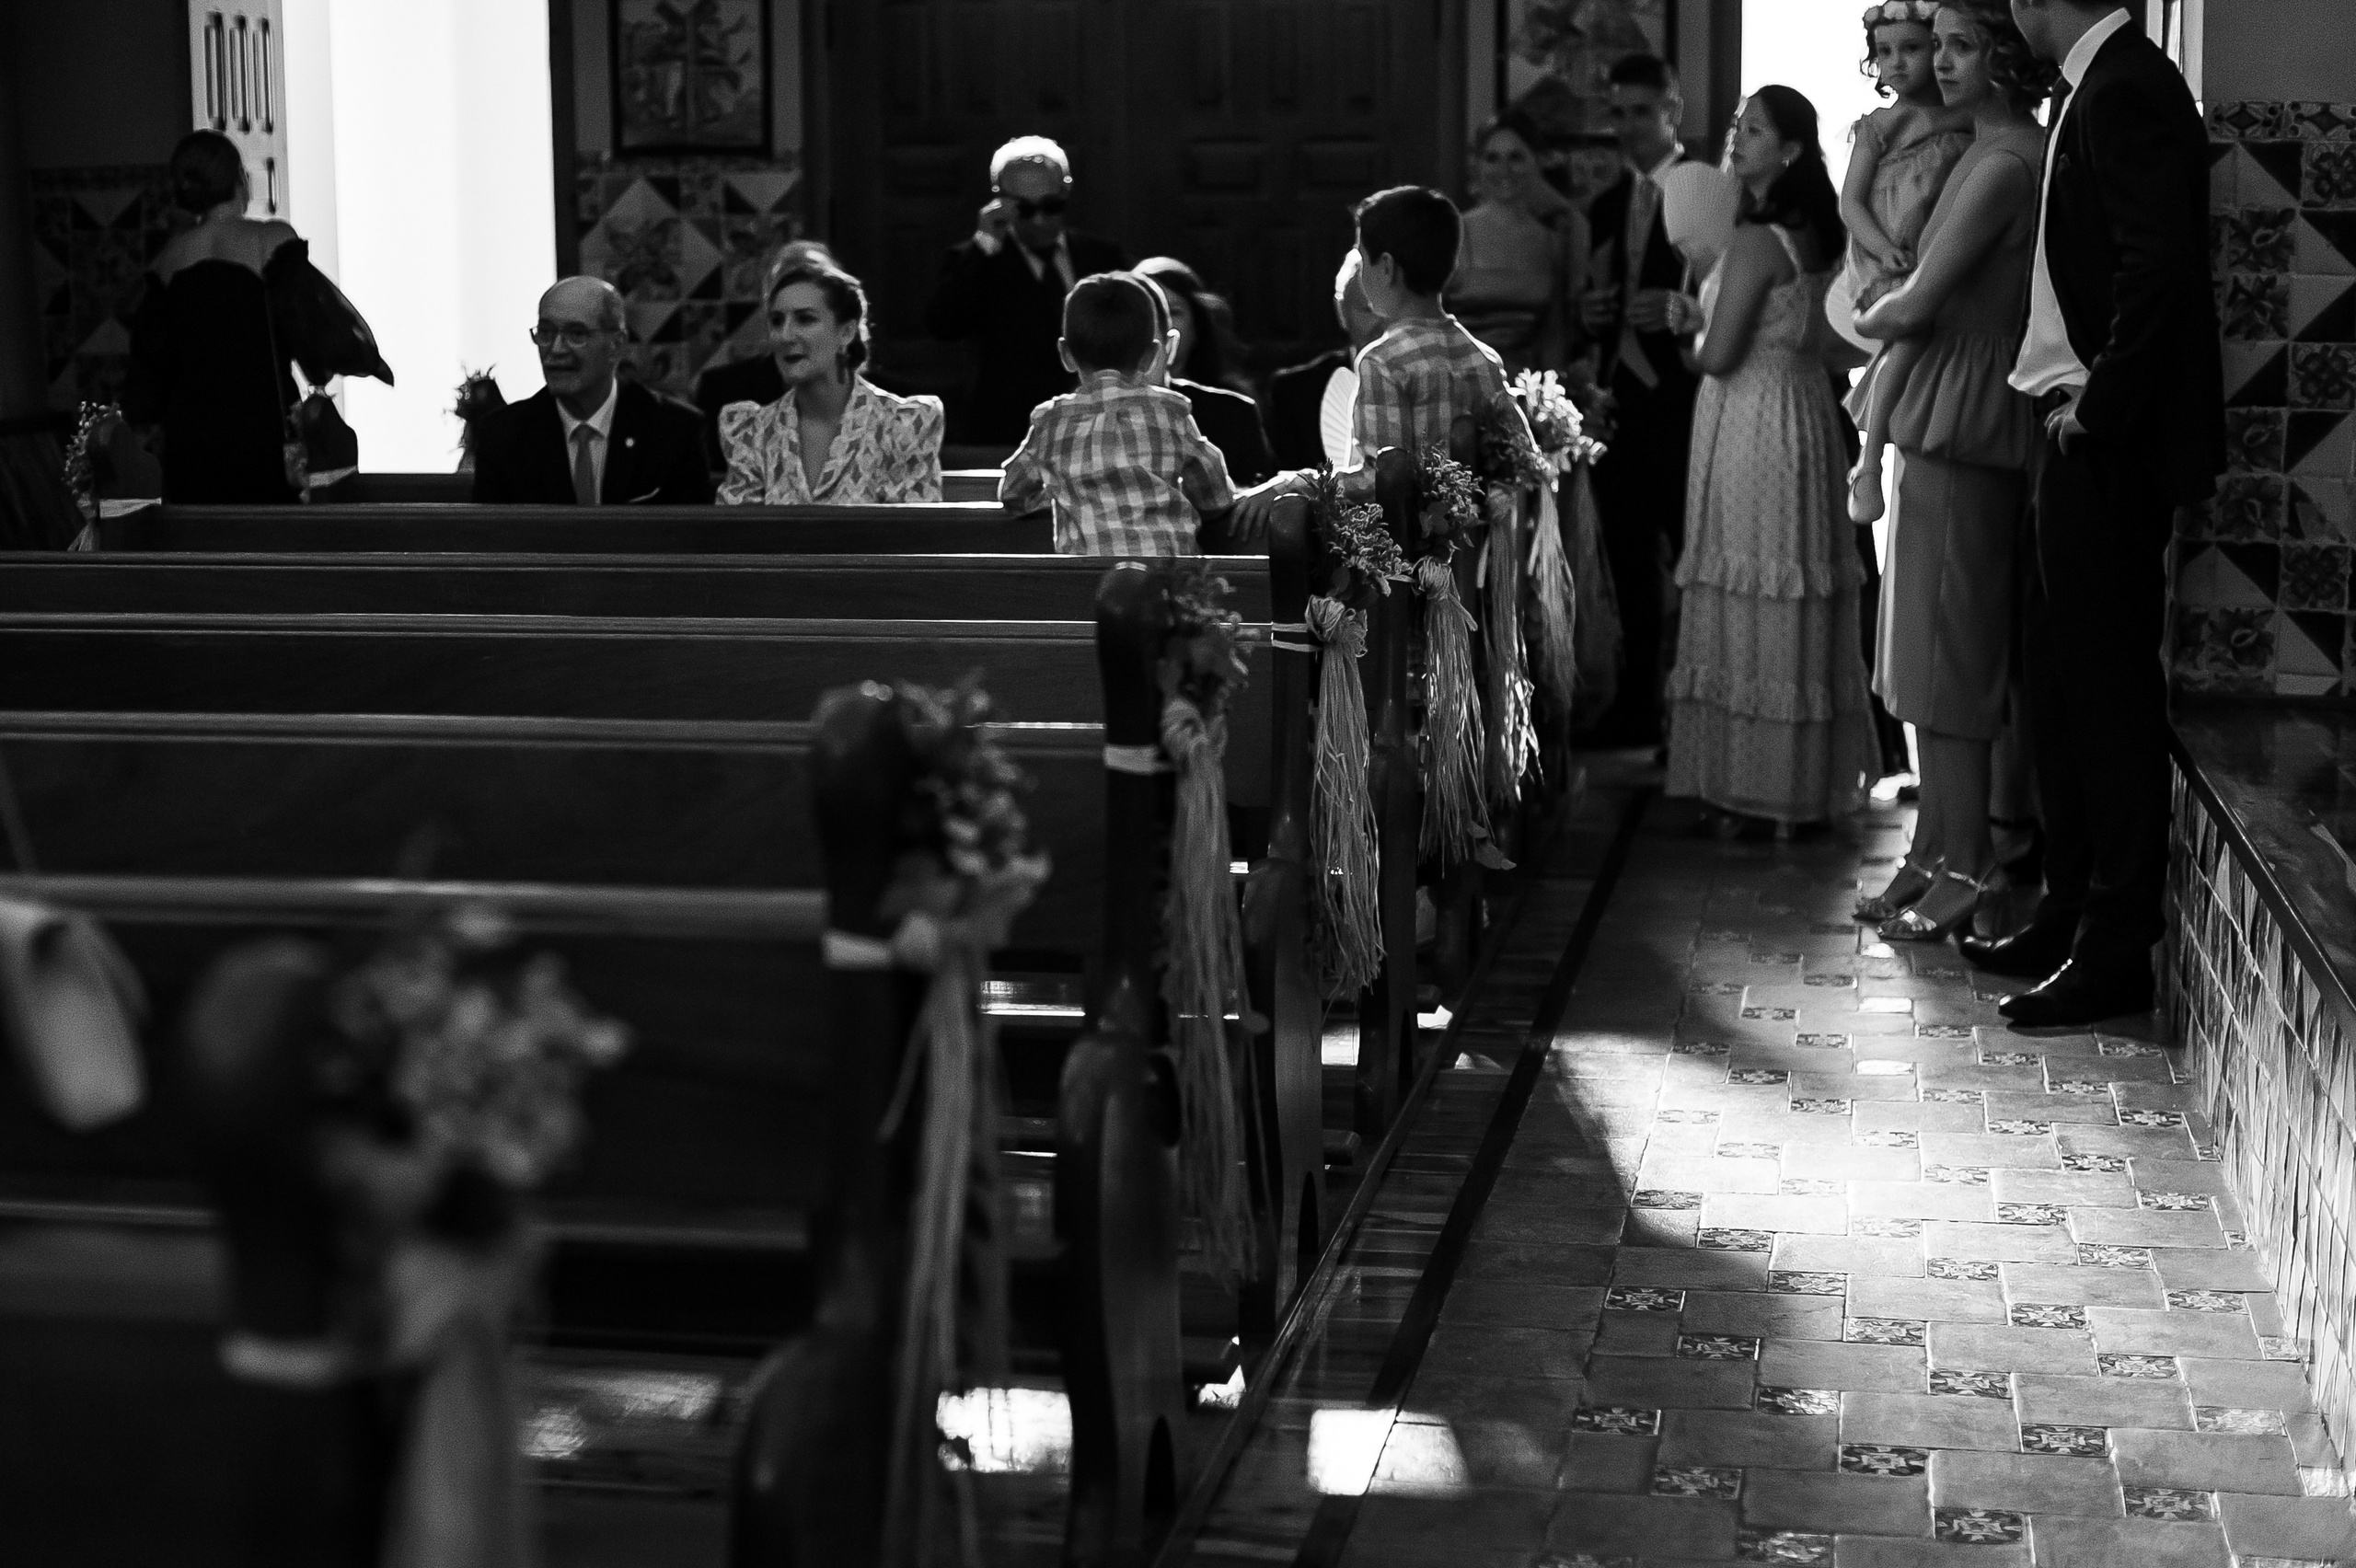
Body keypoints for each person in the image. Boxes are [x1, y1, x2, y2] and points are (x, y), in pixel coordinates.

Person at [1969, 0, 2223, 1027]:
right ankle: (2067, 905)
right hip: (2062, 424)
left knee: (2105, 692)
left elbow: (2157, 266)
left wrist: (2103, 409)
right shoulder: (2096, 82)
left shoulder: (2129, 88)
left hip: (2101, 441)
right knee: (2055, 680)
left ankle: (2116, 947)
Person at [1848, 0, 2053, 940]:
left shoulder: (2008, 160)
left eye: (1964, 46)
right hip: (1944, 406)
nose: (1943, 63)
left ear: (2008, 58)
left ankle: (1966, 863)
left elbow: (1916, 301)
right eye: (1943, 46)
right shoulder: (1979, 150)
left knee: (1953, 657)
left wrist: (1876, 305)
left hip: (1968, 408)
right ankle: (1934, 847)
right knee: (1922, 658)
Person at [1661, 86, 1880, 833]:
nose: (1735, 138)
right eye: (1735, 125)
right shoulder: (1816, 230)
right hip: (1806, 412)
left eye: (1753, 128)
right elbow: (1816, 332)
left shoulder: (1756, 239)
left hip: (1752, 416)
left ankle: (1755, 789)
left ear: (1789, 148)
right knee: (1793, 586)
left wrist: (1693, 336)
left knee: (1753, 581)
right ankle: (1801, 788)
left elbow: (1720, 355)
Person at [124, 131, 392, 504]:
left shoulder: (168, 259)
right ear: (239, 179)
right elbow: (317, 336)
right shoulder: (272, 242)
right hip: (262, 430)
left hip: (191, 442)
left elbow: (151, 370)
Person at [1579, 54, 1703, 747]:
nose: (1625, 127)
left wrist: (1690, 307)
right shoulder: (1604, 205)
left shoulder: (1707, 194)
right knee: (1626, 557)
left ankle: (1694, 707)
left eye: (1639, 112)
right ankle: (1635, 705)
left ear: (1673, 109)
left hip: (1686, 398)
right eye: (1616, 112)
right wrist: (1592, 312)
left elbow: (1737, 294)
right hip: (1620, 401)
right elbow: (1593, 306)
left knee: (1692, 554)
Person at [1840, 1, 1977, 524]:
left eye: (1912, 49)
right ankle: (1869, 459)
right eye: (1885, 52)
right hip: (1888, 255)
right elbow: (1850, 202)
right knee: (1912, 331)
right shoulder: (1879, 125)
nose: (1897, 62)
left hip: (1936, 247)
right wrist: (1881, 246)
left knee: (1933, 334)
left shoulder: (1965, 115)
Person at [999, 272, 1236, 555]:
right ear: (1150, 355)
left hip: (1083, 582)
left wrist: (1057, 489)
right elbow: (1216, 496)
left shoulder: (1050, 422)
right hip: (1167, 579)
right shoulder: (1171, 413)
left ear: (1066, 354)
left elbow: (1013, 494)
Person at [923, 136, 1129, 444]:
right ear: (1001, 201)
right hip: (1006, 427)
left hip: (1095, 423)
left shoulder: (1101, 256)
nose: (1040, 220)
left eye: (1051, 205)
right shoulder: (978, 260)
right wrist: (984, 244)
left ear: (1066, 191)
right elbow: (943, 324)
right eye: (1024, 209)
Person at [717, 259, 944, 504]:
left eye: (805, 319)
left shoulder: (901, 425)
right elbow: (737, 536)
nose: (785, 335)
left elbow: (913, 536)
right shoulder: (753, 432)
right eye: (777, 321)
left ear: (845, 332)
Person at [470, 277, 712, 505]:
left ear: (616, 345)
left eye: (576, 334)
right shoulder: (503, 435)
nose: (556, 349)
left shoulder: (674, 429)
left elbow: (690, 539)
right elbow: (491, 540)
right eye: (545, 333)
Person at [1449, 110, 1589, 376]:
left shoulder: (1552, 242)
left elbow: (1554, 335)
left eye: (1516, 157)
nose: (1504, 170)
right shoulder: (1454, 233)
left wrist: (1553, 402)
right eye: (1492, 158)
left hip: (1525, 393)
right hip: (1459, 389)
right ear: (1477, 165)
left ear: (1536, 162)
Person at [692, 239, 838, 468]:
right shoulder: (723, 392)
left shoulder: (895, 406)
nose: (790, 334)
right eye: (780, 317)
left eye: (806, 317)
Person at [1132, 257, 1277, 484]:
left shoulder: (1234, 412)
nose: (1155, 326)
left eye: (1173, 312)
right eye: (1144, 315)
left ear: (1197, 322)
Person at [1265, 251, 1384, 472]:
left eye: (1392, 312)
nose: (1382, 324)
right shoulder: (1295, 391)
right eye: (1369, 310)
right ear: (1341, 311)